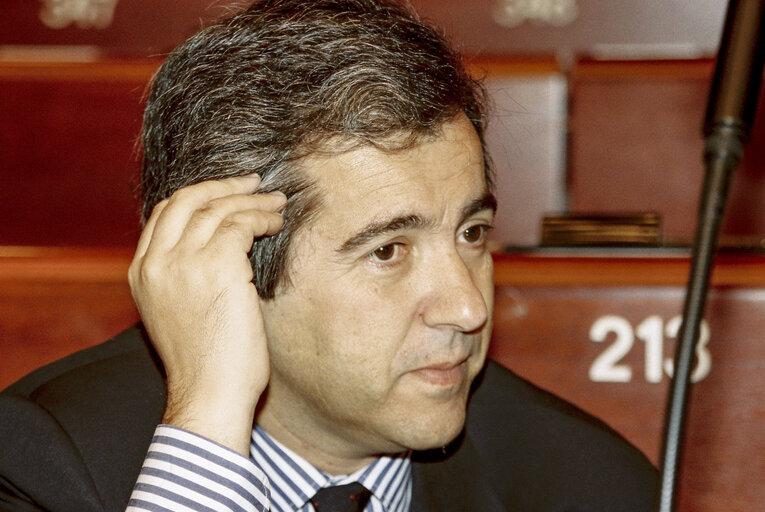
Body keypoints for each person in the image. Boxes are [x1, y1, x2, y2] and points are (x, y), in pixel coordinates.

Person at [0, 0, 659, 510]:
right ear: (234, 266)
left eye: (470, 233)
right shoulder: (47, 467)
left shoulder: (584, 484)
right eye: (388, 250)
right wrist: (205, 424)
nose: (466, 306)